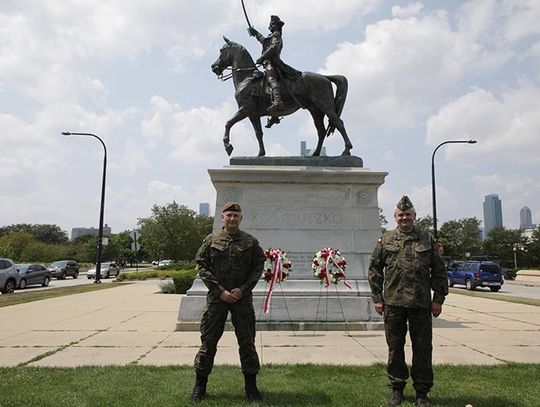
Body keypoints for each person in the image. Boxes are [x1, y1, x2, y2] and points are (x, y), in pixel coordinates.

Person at [368, 196, 448, 407]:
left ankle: (422, 392)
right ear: (395, 217)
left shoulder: (426, 239)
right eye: (401, 215)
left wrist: (438, 299)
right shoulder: (385, 240)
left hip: (421, 304)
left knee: (422, 348)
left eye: (408, 214)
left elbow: (439, 271)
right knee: (395, 347)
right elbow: (375, 270)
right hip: (394, 303)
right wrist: (378, 298)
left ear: (414, 216)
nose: (405, 218)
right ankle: (397, 389)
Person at [190, 201, 266, 403]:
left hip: (241, 300)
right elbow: (202, 266)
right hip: (217, 300)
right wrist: (219, 291)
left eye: (236, 216)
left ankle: (251, 387)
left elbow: (258, 266)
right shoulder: (211, 240)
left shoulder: (250, 242)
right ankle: (200, 386)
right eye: (228, 215)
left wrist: (243, 289)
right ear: (222, 217)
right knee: (208, 342)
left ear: (241, 219)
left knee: (247, 343)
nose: (232, 219)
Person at [248, 15, 300, 117]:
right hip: (268, 63)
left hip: (273, 63)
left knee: (271, 79)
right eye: (270, 24)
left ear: (277, 25)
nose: (270, 26)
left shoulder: (277, 35)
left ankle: (278, 101)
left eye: (272, 24)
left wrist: (262, 57)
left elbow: (273, 48)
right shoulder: (272, 36)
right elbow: (264, 41)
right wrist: (255, 33)